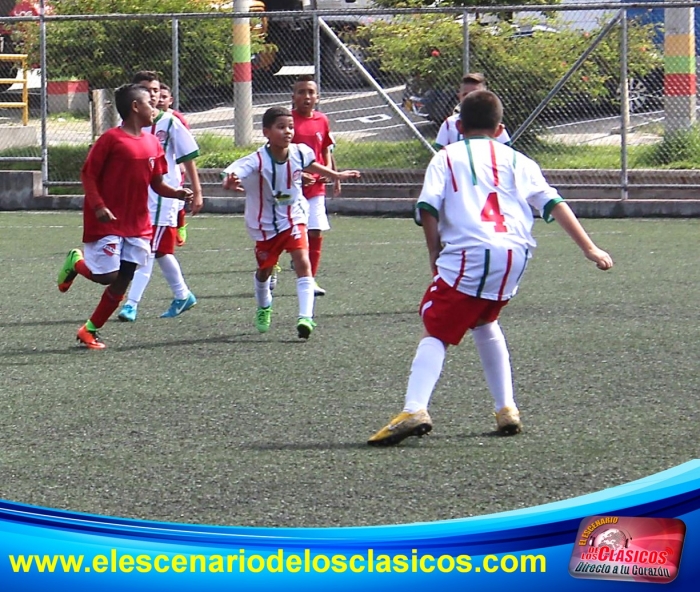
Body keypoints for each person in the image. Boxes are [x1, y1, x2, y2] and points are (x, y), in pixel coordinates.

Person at [368, 90, 613, 446]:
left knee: (434, 326)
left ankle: (415, 408)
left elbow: (427, 207)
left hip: (471, 250)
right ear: (500, 128)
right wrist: (590, 248)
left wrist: (434, 255)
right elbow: (554, 203)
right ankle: (506, 408)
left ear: (458, 125)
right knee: (485, 319)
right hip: (515, 254)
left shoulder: (447, 157)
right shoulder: (518, 159)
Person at [56, 83, 193, 349]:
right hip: (107, 220)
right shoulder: (111, 140)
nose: (154, 107)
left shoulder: (153, 142)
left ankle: (90, 330)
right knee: (106, 276)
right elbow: (88, 174)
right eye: (149, 103)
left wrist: (176, 193)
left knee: (125, 276)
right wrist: (98, 206)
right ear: (135, 107)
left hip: (138, 223)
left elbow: (157, 183)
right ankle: (76, 262)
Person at [221, 106, 360, 339]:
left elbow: (311, 164)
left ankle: (305, 317)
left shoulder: (300, 152)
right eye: (281, 127)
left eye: (290, 127)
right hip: (264, 225)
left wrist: (336, 175)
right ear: (266, 132)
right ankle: (264, 306)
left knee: (302, 261)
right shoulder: (256, 159)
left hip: (294, 217)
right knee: (264, 271)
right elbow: (232, 172)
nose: (288, 132)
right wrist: (229, 181)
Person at [117, 71, 204, 323]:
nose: (153, 95)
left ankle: (131, 304)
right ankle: (182, 294)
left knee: (145, 249)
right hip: (137, 196)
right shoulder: (126, 125)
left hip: (162, 197)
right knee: (160, 251)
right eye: (147, 90)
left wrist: (197, 192)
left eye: (156, 90)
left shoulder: (170, 122)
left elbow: (189, 157)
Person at [281, 74, 339, 297]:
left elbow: (325, 147)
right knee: (288, 232)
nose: (307, 96)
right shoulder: (287, 121)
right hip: (291, 188)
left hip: (316, 188)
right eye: (302, 92)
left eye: (311, 92)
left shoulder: (322, 120)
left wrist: (330, 172)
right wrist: (298, 173)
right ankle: (274, 267)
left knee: (315, 230)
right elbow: (279, 152)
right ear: (293, 96)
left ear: (317, 96)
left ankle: (310, 280)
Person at [433, 73, 510, 150]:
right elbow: (439, 152)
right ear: (459, 97)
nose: (470, 99)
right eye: (465, 95)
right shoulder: (449, 123)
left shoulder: (493, 123)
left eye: (476, 94)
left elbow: (506, 151)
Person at [158, 82, 190, 247]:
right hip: (155, 168)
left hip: (173, 167)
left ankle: (180, 225)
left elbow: (185, 143)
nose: (160, 100)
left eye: (164, 97)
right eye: (158, 96)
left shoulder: (176, 119)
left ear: (170, 100)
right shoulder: (145, 118)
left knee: (178, 198)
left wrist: (182, 163)